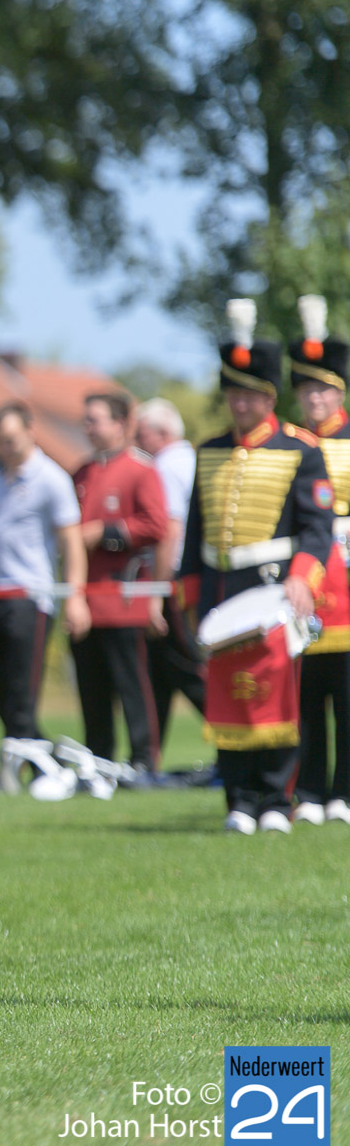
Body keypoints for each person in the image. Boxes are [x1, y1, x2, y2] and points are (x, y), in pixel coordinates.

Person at [180, 299, 332, 835]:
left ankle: (274, 798)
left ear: (269, 397)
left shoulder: (300, 450)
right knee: (227, 695)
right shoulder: (209, 451)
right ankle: (239, 799)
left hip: (274, 587)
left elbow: (317, 527)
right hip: (221, 586)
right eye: (233, 394)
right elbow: (196, 529)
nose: (240, 404)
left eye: (250, 394)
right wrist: (188, 590)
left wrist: (303, 576)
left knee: (275, 694)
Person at [0, 403, 88, 791]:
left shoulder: (52, 479)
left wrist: (75, 596)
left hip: (32, 597)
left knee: (21, 689)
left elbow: (71, 542)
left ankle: (18, 766)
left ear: (31, 431)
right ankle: (44, 754)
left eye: (10, 440)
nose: (4, 448)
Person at [70, 392, 169, 769]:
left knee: (132, 685)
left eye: (94, 420)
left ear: (119, 424)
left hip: (124, 598)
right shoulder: (81, 473)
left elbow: (156, 525)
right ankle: (99, 760)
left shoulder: (141, 470)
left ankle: (144, 759)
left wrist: (104, 532)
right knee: (91, 688)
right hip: (85, 600)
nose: (88, 428)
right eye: (85, 420)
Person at [289, 296, 350, 825]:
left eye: (323, 389)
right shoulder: (292, 447)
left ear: (340, 392)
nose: (315, 398)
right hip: (308, 578)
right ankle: (308, 790)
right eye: (307, 390)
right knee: (306, 695)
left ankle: (344, 792)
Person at [133, 397, 206, 753]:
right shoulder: (191, 460)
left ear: (161, 433)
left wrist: (157, 592)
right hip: (194, 575)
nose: (136, 440)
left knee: (184, 666)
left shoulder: (163, 467)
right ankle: (148, 753)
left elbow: (169, 531)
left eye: (141, 433)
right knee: (160, 670)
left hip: (172, 578)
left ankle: (233, 741)